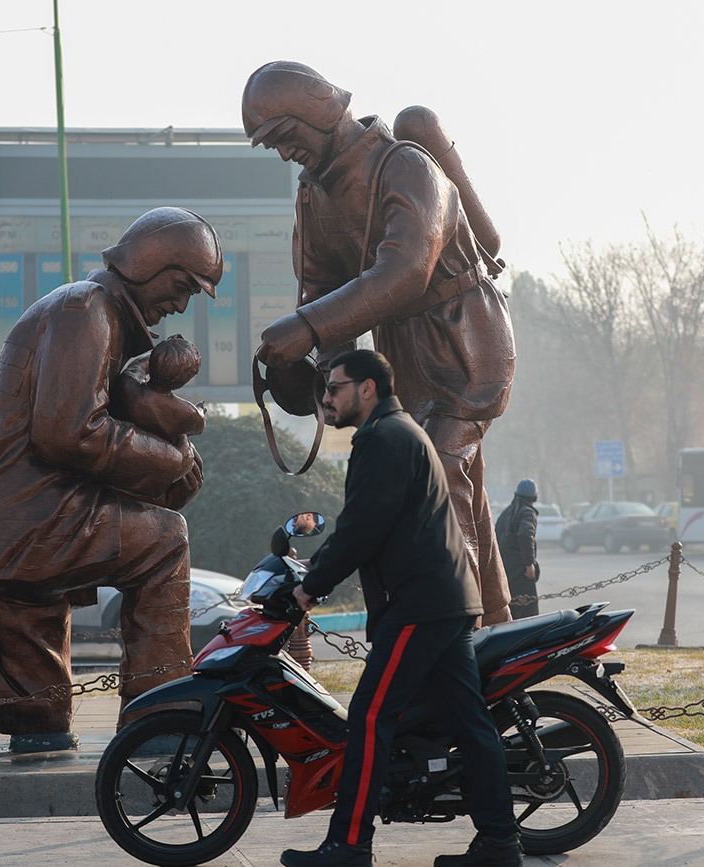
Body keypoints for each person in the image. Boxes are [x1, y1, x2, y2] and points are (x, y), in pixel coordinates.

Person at [0, 207, 220, 754]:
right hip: (40, 520)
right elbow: (70, 432)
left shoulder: (92, 315)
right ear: (147, 263)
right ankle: (160, 717)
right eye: (181, 287)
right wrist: (169, 461)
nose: (180, 305)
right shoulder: (87, 312)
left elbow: (86, 432)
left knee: (40, 710)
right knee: (165, 541)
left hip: (24, 525)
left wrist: (167, 458)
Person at [244, 61, 517, 625]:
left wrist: (310, 326)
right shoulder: (313, 197)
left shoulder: (407, 166)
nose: (285, 153)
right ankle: (495, 624)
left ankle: (456, 630)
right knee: (459, 478)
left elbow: (406, 270)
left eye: (286, 135)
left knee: (437, 470)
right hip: (400, 349)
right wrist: (316, 373)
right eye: (273, 145)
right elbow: (322, 293)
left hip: (464, 336)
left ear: (320, 111)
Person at [283, 349, 521, 867]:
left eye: (335, 387)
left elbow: (362, 528)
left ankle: (349, 845)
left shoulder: (385, 438)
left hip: (420, 604)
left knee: (370, 717)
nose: (326, 397)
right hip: (441, 599)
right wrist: (318, 570)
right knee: (469, 724)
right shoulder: (398, 431)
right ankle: (500, 843)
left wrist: (310, 586)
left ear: (367, 388)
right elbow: (365, 523)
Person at [109, 333, 206, 445]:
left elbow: (139, 365)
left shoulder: (127, 384)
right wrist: (200, 409)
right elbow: (200, 424)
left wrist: (164, 351)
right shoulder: (188, 412)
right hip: (159, 450)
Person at [496, 479, 540, 620]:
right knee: (528, 613)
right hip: (521, 571)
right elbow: (525, 535)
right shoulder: (528, 512)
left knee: (512, 612)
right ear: (534, 497)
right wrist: (529, 564)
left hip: (505, 570)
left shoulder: (505, 513)